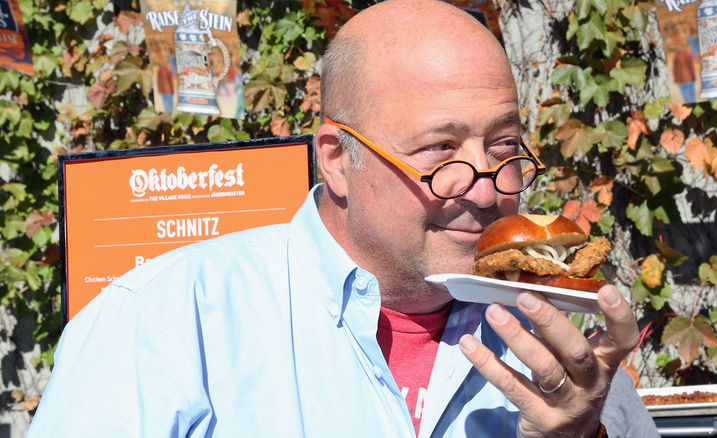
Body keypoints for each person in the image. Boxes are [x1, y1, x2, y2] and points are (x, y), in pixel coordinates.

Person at [27, 1, 658, 437]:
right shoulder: (169, 317)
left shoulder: (563, 349)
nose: (488, 189)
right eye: (441, 150)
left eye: (503, 147)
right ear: (337, 159)